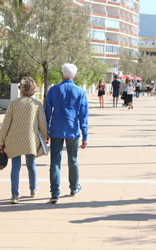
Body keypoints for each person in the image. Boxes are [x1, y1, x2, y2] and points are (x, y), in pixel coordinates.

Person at [0, 77, 48, 204]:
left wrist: (1, 141)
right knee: (31, 165)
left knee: (16, 167)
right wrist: (46, 136)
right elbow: (42, 124)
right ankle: (33, 189)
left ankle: (14, 195)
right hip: (30, 140)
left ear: (22, 89)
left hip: (14, 140)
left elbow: (6, 124)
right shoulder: (37, 104)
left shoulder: (13, 104)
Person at [45, 63, 89, 204]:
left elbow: (47, 112)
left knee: (55, 162)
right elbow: (83, 116)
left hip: (56, 129)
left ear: (62, 74)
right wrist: (85, 136)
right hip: (72, 130)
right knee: (73, 160)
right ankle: (74, 187)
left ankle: (54, 193)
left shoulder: (53, 90)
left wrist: (46, 130)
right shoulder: (80, 92)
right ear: (74, 76)